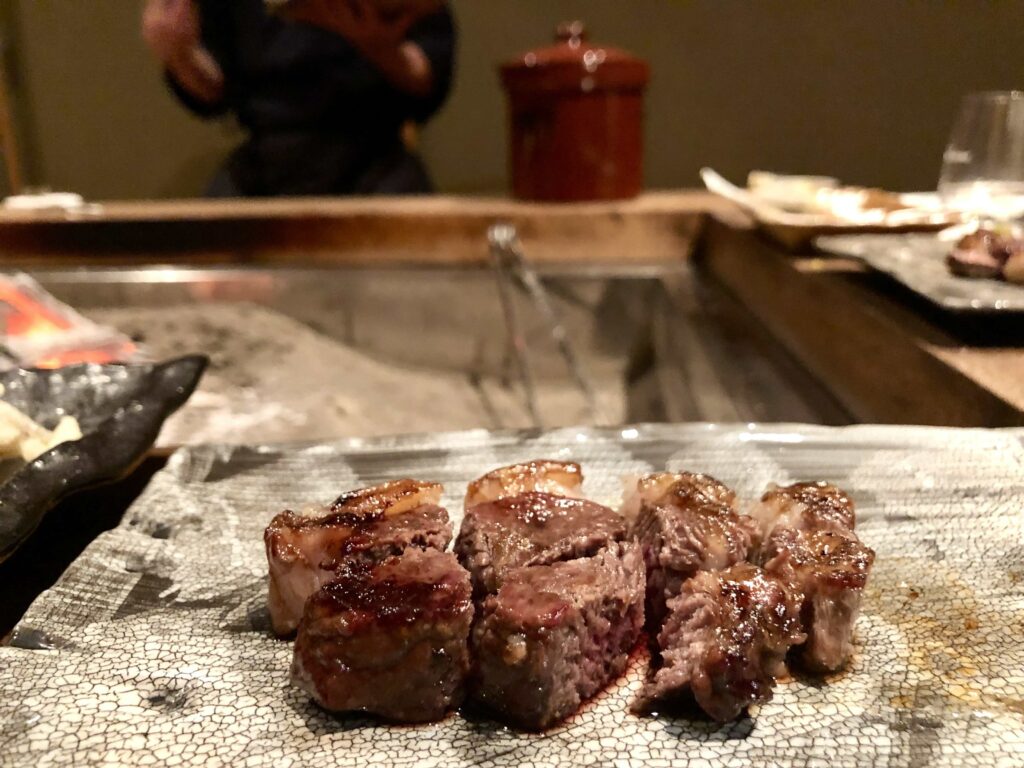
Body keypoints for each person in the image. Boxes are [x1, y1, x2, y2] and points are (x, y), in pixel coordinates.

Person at [142, 0, 455, 197]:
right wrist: (180, 54)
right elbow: (217, 93)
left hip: (372, 157)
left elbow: (427, 77)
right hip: (266, 162)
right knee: (208, 270)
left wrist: (379, 47)